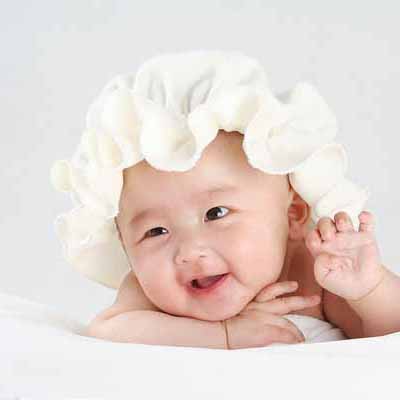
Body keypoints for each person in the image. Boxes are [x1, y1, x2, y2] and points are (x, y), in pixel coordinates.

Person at [50, 50, 400, 349]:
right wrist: (223, 335)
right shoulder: (151, 294)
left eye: (216, 213)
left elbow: (387, 339)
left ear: (292, 214)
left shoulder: (313, 274)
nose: (190, 251)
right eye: (155, 231)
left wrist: (370, 290)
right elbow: (107, 330)